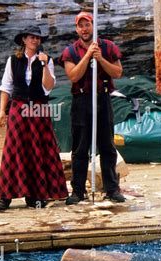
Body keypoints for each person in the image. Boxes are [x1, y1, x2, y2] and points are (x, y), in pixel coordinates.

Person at [0, 25, 68, 211]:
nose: (35, 40)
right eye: (31, 37)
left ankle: (34, 195)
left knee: (37, 150)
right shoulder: (13, 60)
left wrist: (44, 65)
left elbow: (48, 86)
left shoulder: (47, 60)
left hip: (38, 108)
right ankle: (6, 196)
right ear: (24, 40)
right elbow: (6, 87)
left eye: (38, 38)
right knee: (14, 150)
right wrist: (2, 111)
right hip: (18, 108)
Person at [59, 12, 125, 205]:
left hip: (103, 98)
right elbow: (73, 75)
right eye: (80, 26)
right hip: (81, 100)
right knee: (80, 147)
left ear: (93, 25)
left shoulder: (107, 47)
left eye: (87, 25)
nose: (84, 29)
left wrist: (100, 59)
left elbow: (118, 72)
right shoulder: (71, 51)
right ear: (76, 29)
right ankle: (78, 191)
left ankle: (111, 189)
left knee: (107, 145)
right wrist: (88, 56)